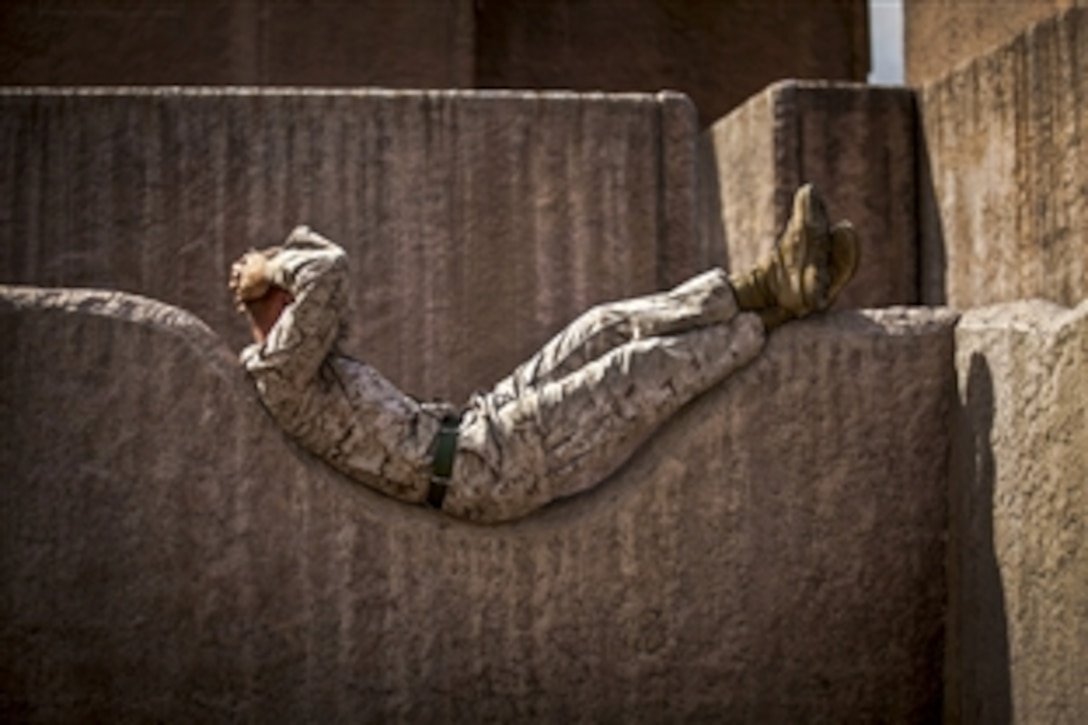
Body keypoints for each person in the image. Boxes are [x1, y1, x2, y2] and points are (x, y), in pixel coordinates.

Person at [230, 185, 858, 523]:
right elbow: (330, 271)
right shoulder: (280, 371)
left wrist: (273, 270)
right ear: (282, 302)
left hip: (475, 428)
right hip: (480, 472)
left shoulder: (298, 362)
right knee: (628, 376)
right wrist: (268, 266)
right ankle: (780, 311)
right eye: (290, 287)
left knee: (600, 328)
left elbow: (326, 285)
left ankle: (771, 282)